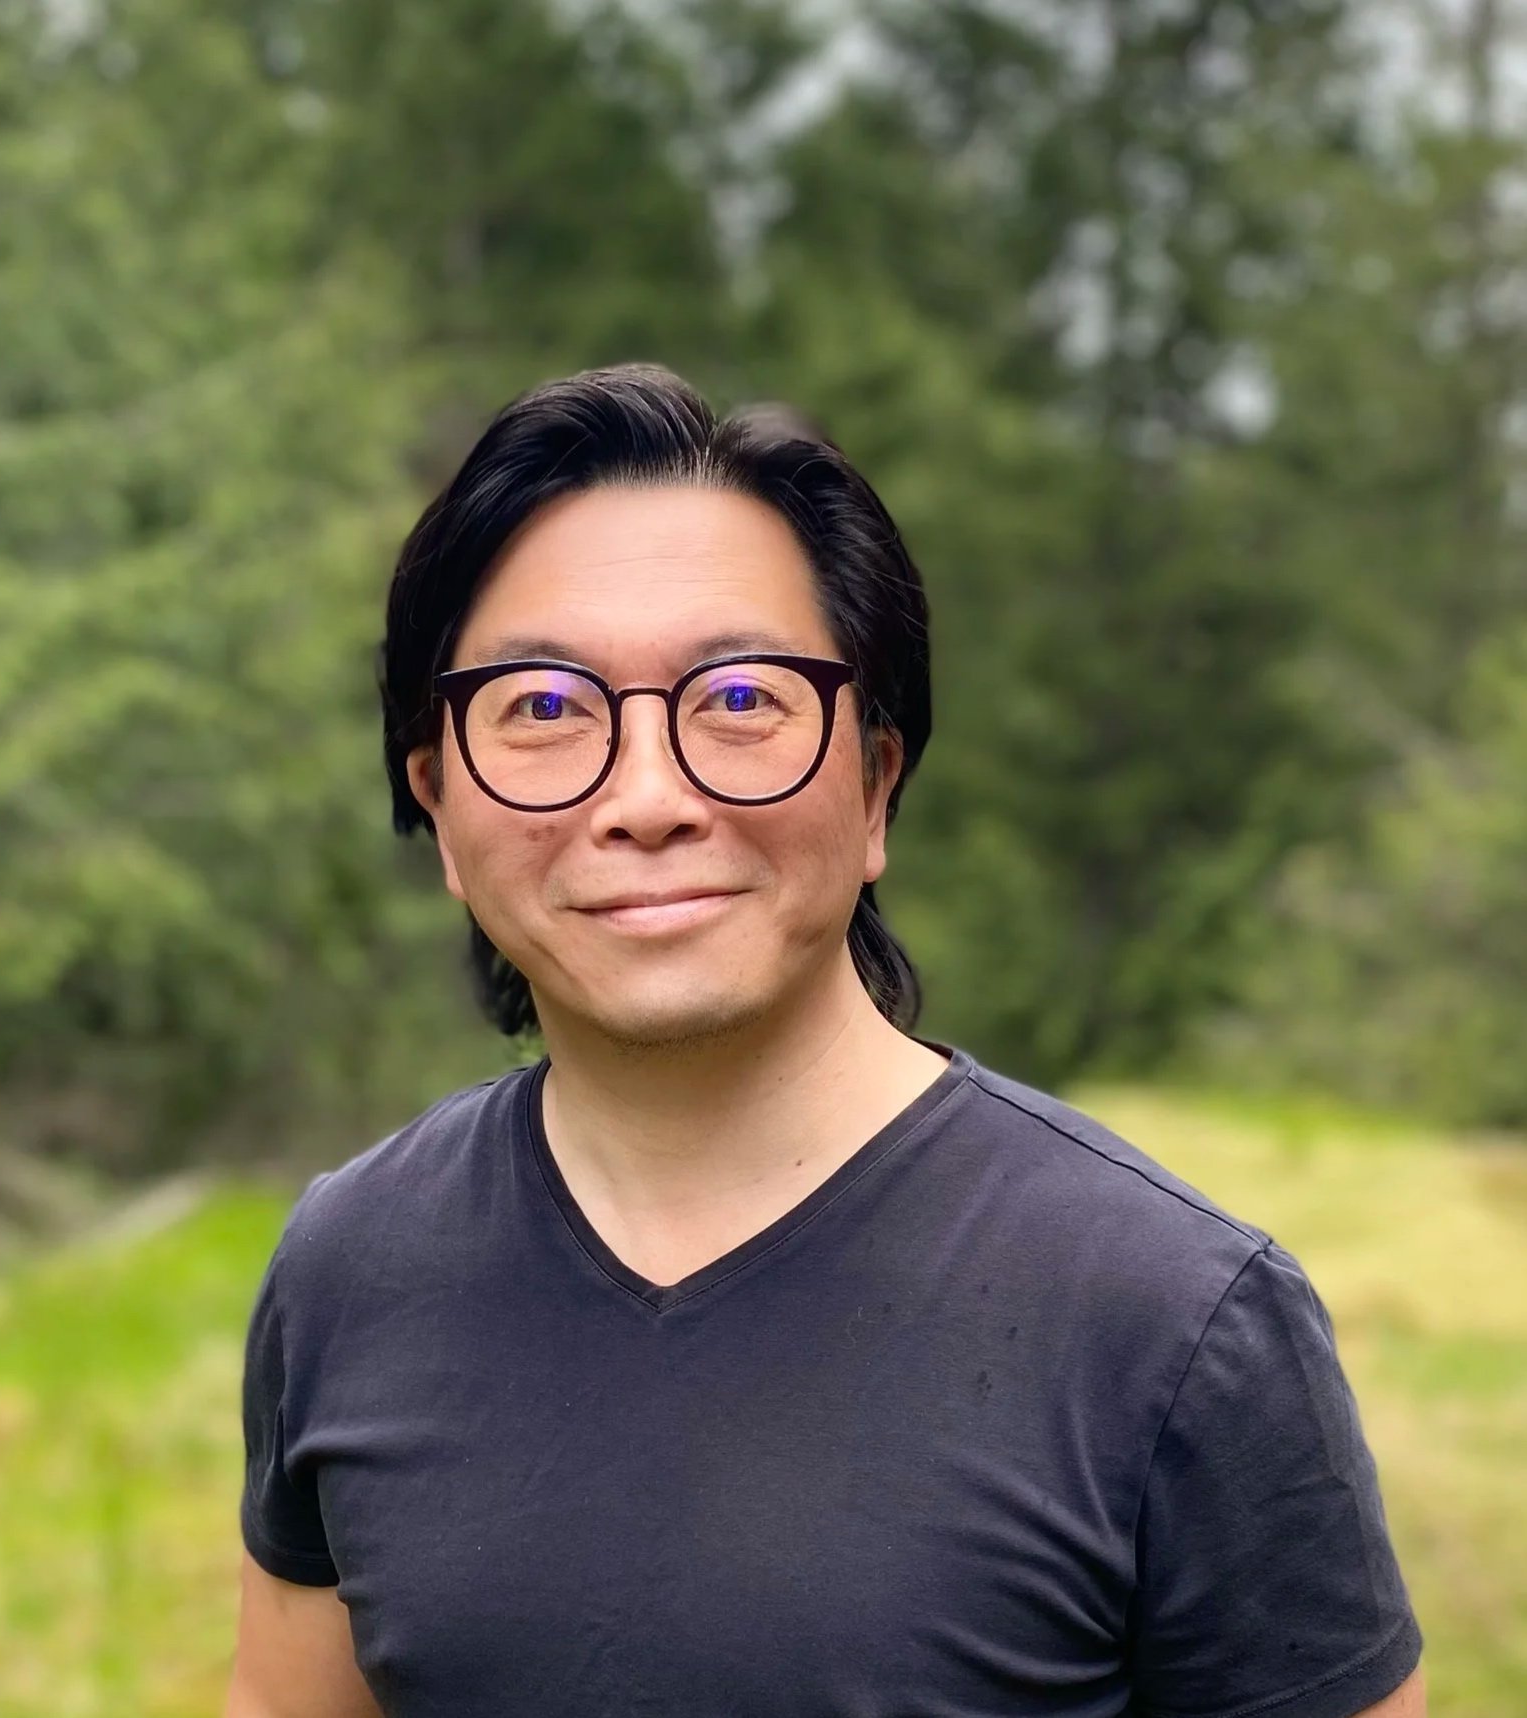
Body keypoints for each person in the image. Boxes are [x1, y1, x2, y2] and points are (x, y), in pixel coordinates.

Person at [223, 363, 1426, 1718]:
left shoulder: (1172, 1321)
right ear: (436, 803)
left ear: (874, 785)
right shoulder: (351, 1265)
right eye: (545, 710)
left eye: (737, 699)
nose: (644, 795)